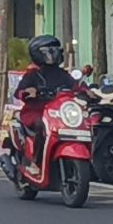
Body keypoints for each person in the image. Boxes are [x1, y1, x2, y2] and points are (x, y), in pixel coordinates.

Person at [15, 35, 78, 170]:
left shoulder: (62, 74)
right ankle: (35, 162)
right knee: (42, 125)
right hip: (36, 111)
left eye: (55, 50)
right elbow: (19, 92)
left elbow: (76, 86)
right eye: (48, 51)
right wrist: (28, 92)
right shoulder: (33, 74)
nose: (52, 55)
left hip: (59, 113)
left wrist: (88, 92)